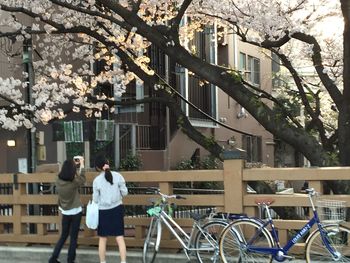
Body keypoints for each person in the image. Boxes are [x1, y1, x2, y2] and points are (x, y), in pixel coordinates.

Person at [49, 157, 86, 263]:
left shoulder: (57, 180)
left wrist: (71, 165)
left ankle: (53, 258)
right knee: (73, 238)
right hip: (75, 212)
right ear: (72, 171)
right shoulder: (73, 182)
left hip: (65, 212)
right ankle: (70, 260)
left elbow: (65, 172)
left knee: (63, 236)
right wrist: (81, 164)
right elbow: (82, 179)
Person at [93, 156, 128, 263]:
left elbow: (95, 199)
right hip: (117, 208)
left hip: (103, 211)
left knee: (103, 238)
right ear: (108, 163)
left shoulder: (97, 180)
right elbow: (125, 193)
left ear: (98, 168)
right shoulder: (118, 176)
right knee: (119, 237)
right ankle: (123, 261)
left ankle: (103, 262)